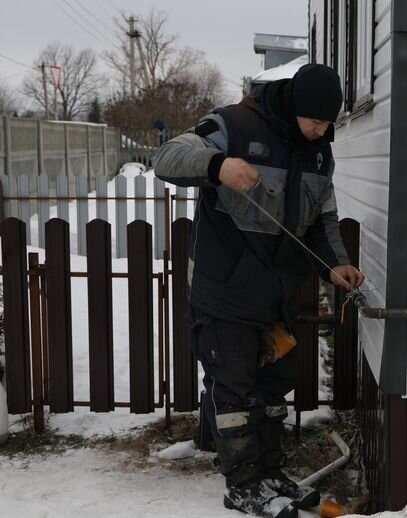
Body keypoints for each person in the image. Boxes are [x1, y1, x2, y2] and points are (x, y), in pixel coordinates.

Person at [153, 64, 364, 518]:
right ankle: (244, 484)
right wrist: (217, 165)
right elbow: (167, 157)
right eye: (316, 122)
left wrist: (337, 264)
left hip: (279, 297)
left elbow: (321, 218)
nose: (322, 131)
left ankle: (269, 474)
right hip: (226, 289)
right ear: (294, 107)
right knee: (235, 391)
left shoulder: (319, 153)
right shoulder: (233, 124)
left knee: (272, 389)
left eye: (329, 124)